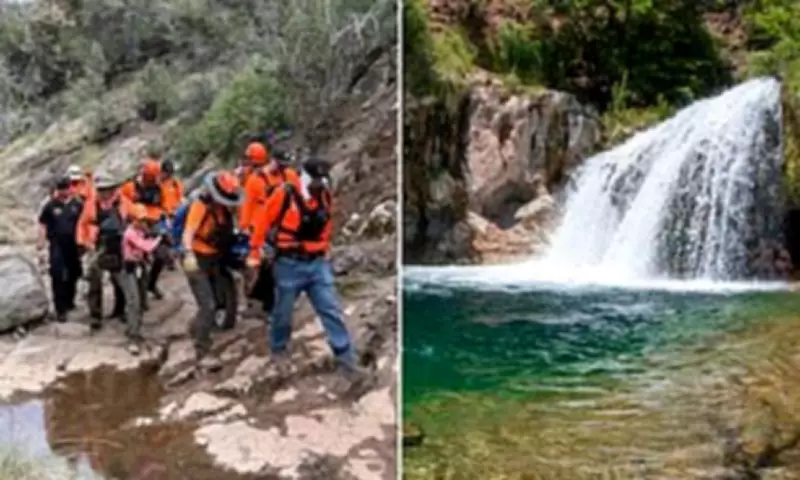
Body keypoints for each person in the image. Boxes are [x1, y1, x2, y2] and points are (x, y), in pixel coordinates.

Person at [247, 155, 368, 385]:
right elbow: (263, 222)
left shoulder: (324, 196)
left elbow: (326, 224)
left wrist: (324, 248)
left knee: (330, 309)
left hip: (316, 264)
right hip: (288, 265)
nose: (319, 184)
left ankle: (346, 359)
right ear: (304, 177)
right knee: (283, 312)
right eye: (315, 180)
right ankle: (279, 349)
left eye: (322, 180)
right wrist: (255, 251)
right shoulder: (284, 195)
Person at [181, 170, 242, 370]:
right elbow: (188, 233)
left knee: (222, 295)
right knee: (207, 304)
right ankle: (202, 352)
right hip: (197, 258)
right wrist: (188, 254)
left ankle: (201, 326)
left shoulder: (225, 210)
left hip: (216, 256)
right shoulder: (200, 206)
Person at [244, 149, 302, 316]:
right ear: (272, 160)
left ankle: (283, 298)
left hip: (285, 227)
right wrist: (246, 227)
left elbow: (299, 199)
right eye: (280, 165)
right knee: (264, 266)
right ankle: (264, 303)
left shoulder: (290, 176)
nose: (283, 168)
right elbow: (247, 205)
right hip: (262, 228)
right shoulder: (255, 180)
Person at [76, 173, 131, 330]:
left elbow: (133, 216)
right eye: (101, 189)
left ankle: (120, 310)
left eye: (107, 189)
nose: (104, 192)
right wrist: (83, 243)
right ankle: (95, 316)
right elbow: (82, 224)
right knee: (94, 281)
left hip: (118, 245)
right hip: (98, 246)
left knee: (119, 280)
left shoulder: (122, 202)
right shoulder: (91, 204)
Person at [120, 158, 170, 301]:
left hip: (154, 222)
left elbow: (165, 205)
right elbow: (122, 204)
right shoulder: (130, 187)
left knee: (162, 255)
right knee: (134, 257)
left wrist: (165, 220)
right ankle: (134, 292)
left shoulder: (159, 187)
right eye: (151, 177)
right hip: (136, 223)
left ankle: (151, 284)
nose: (154, 180)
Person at [37, 177, 84, 322]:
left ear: (70, 188)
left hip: (74, 244)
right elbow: (43, 224)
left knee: (74, 273)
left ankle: (70, 300)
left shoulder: (77, 204)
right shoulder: (50, 205)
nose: (63, 191)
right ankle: (60, 309)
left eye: (65, 188)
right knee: (57, 274)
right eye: (60, 188)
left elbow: (84, 223)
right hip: (56, 244)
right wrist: (41, 243)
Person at [120, 204, 162, 355]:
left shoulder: (141, 231)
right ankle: (132, 337)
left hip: (140, 267)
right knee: (134, 302)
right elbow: (146, 247)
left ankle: (136, 329)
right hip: (129, 270)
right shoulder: (130, 233)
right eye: (141, 220)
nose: (144, 222)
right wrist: (159, 239)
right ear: (133, 219)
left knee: (142, 302)